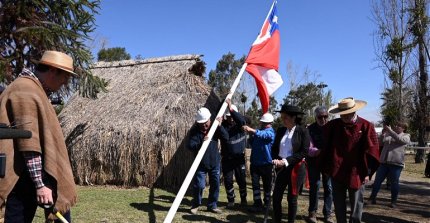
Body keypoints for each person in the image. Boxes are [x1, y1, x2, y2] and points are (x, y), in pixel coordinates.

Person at [0, 51, 78, 222]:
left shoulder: (34, 89)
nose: (66, 82)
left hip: (29, 175)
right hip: (23, 177)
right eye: (65, 76)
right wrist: (40, 185)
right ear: (52, 71)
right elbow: (29, 143)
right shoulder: (26, 90)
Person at [321, 97, 380, 223]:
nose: (345, 117)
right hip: (337, 170)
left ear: (354, 111)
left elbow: (373, 150)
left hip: (357, 171)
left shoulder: (366, 126)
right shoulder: (332, 126)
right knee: (338, 203)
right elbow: (325, 147)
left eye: (348, 114)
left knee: (356, 204)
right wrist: (327, 168)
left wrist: (368, 172)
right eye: (343, 115)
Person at [271, 104, 310, 223]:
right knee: (276, 197)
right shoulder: (281, 130)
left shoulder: (303, 131)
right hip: (281, 168)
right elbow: (274, 148)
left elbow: (304, 152)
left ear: (293, 118)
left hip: (296, 169)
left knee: (292, 198)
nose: (282, 119)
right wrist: (276, 159)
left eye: (285, 117)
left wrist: (286, 161)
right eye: (281, 117)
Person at [188, 107, 228, 214]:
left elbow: (226, 137)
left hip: (214, 162)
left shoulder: (214, 128)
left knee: (215, 184)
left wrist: (220, 127)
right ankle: (196, 204)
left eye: (206, 122)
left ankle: (212, 205)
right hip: (201, 164)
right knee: (199, 185)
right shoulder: (195, 131)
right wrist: (201, 141)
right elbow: (190, 146)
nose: (205, 125)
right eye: (202, 123)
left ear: (210, 119)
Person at [369, 121, 410, 208]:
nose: (396, 126)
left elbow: (400, 140)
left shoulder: (406, 136)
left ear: (404, 128)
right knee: (377, 181)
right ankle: (372, 198)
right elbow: (380, 143)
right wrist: (383, 134)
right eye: (396, 125)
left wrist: (391, 131)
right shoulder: (389, 134)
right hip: (384, 162)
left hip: (396, 164)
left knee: (394, 183)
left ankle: (393, 201)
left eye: (399, 126)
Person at [242, 113, 275, 213]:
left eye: (266, 123)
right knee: (255, 185)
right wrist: (251, 135)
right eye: (263, 123)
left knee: (267, 186)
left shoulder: (271, 133)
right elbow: (252, 142)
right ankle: (257, 204)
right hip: (255, 163)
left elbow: (264, 135)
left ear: (270, 123)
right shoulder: (259, 132)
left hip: (266, 164)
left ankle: (267, 204)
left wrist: (252, 130)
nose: (265, 125)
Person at [307, 106, 333, 223]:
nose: (323, 119)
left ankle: (328, 213)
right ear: (315, 117)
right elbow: (309, 148)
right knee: (315, 186)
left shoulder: (332, 128)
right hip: (314, 162)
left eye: (325, 116)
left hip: (328, 163)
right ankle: (312, 212)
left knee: (329, 187)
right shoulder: (310, 129)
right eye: (320, 117)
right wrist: (319, 151)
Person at [220, 99, 247, 208]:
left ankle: (243, 199)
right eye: (228, 116)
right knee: (228, 180)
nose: (230, 119)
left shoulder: (240, 126)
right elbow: (224, 136)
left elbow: (241, 120)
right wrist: (220, 124)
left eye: (232, 116)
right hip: (227, 159)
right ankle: (231, 200)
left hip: (239, 158)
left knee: (241, 180)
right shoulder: (224, 126)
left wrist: (231, 109)